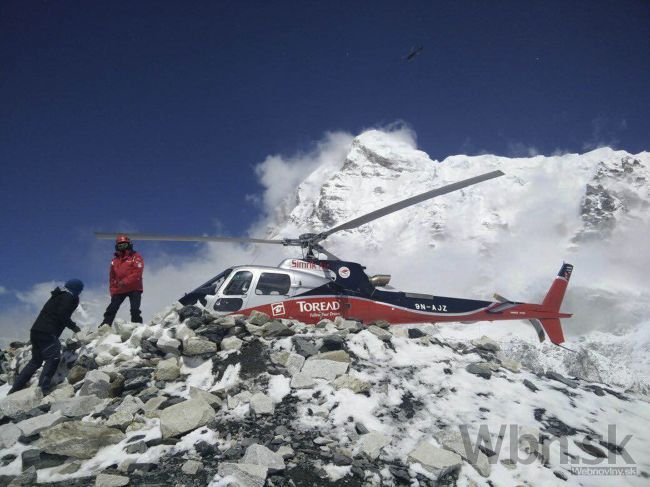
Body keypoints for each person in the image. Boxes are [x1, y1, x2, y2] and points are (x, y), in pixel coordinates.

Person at [9, 279, 83, 395]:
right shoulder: (68, 297)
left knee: (35, 361)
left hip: (36, 331)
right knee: (53, 358)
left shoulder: (58, 295)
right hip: (47, 332)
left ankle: (14, 389)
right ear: (77, 289)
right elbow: (62, 314)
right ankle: (42, 389)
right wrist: (74, 327)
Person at [101, 234, 144, 325]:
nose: (123, 248)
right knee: (112, 308)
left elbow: (138, 272)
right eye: (120, 246)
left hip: (134, 288)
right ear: (117, 247)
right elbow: (112, 277)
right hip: (120, 289)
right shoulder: (114, 261)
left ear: (129, 245)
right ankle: (105, 326)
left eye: (125, 245)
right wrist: (113, 291)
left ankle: (137, 326)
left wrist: (125, 282)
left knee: (135, 309)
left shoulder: (136, 257)